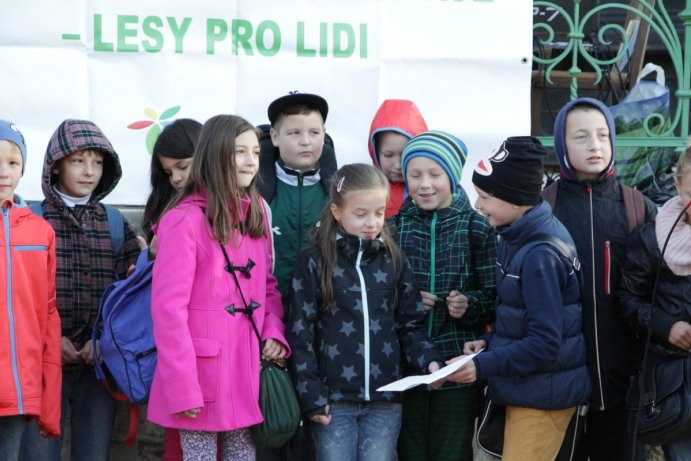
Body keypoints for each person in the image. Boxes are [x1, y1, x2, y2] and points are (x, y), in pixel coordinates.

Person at [147, 114, 289, 461]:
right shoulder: (182, 219)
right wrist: (181, 385)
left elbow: (266, 285)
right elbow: (168, 311)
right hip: (199, 376)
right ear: (214, 154)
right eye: (239, 151)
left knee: (243, 455)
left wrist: (272, 330)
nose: (251, 160)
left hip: (244, 369)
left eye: (255, 151)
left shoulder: (254, 212)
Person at [287, 163, 445, 461]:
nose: (371, 223)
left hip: (385, 400)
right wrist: (312, 396)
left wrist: (430, 362)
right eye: (360, 214)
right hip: (334, 403)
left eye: (379, 213)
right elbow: (300, 332)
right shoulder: (313, 262)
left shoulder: (394, 259)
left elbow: (409, 325)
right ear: (336, 211)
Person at [449, 136, 591, 461]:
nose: (477, 205)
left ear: (514, 199)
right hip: (529, 389)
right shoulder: (515, 234)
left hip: (543, 397)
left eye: (485, 196)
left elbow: (544, 343)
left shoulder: (540, 254)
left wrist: (482, 366)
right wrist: (489, 342)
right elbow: (520, 318)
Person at [21, 119, 141, 461]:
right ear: (55, 165)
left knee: (93, 454)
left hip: (98, 368)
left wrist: (102, 341)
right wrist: (48, 340)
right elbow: (19, 296)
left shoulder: (115, 223)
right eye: (78, 161)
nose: (89, 171)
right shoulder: (30, 220)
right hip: (43, 367)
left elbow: (130, 298)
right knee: (37, 454)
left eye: (98, 162)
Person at [547, 97, 657, 461]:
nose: (595, 145)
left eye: (602, 135)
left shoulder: (637, 206)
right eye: (580, 137)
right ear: (562, 146)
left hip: (625, 384)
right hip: (561, 386)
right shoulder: (544, 208)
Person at [389, 131, 497, 461]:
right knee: (410, 451)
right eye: (415, 174)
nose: (424, 184)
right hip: (406, 365)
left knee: (452, 452)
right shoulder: (393, 229)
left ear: (451, 175)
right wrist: (403, 302)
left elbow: (494, 296)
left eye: (435, 174)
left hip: (457, 367)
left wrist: (470, 305)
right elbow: (378, 294)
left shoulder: (477, 227)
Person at [618, 146, 691, 460]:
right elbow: (627, 299)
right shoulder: (651, 239)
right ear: (677, 185)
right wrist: (666, 325)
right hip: (675, 380)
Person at [138, 118, 203, 461]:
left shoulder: (242, 209)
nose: (176, 178)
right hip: (170, 347)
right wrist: (148, 252)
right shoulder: (169, 212)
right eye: (168, 172)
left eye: (182, 166)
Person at [0, 120, 61, 460]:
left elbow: (48, 314)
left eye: (12, 162)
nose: (3, 172)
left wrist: (46, 392)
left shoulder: (41, 232)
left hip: (17, 388)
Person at [258, 91, 337, 301]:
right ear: (275, 137)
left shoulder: (339, 193)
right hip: (267, 312)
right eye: (294, 133)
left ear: (324, 134)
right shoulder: (256, 193)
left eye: (314, 132)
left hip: (324, 314)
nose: (305, 141)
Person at [368, 99, 428, 217]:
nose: (398, 165)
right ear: (375, 152)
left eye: (405, 154)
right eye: (388, 155)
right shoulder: (367, 189)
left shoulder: (431, 189)